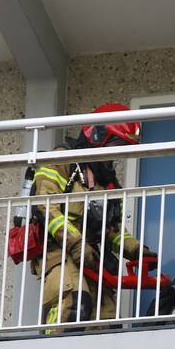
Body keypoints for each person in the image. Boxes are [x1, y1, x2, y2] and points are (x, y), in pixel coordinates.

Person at [31, 103, 157, 332]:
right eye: (115, 145)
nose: (117, 154)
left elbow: (113, 230)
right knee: (76, 306)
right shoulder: (63, 161)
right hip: (60, 254)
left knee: (107, 324)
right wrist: (76, 242)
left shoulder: (106, 181)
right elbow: (45, 206)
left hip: (92, 260)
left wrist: (135, 249)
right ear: (97, 135)